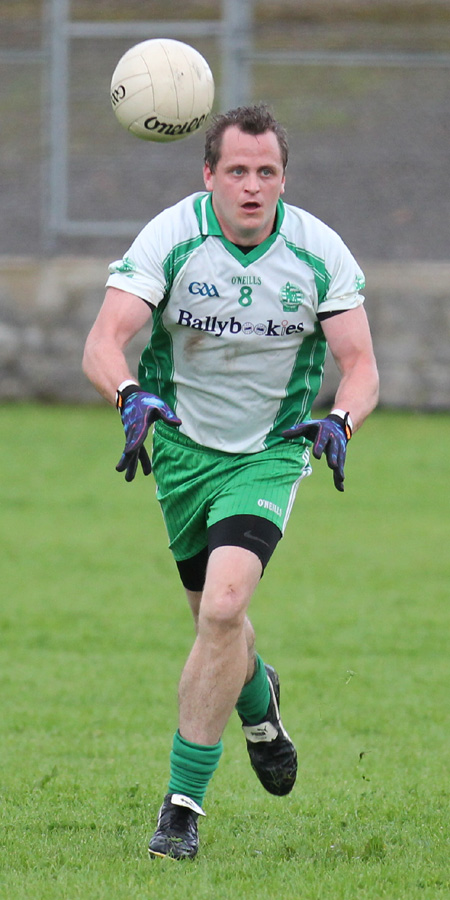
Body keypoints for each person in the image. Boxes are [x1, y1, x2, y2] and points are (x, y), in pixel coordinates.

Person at [82, 103, 379, 860]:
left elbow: (361, 364)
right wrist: (128, 395)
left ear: (284, 178)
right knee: (215, 627)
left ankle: (181, 808)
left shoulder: (319, 252)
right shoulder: (173, 235)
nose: (252, 186)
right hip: (181, 452)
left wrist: (340, 421)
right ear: (208, 174)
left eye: (267, 172)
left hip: (271, 452)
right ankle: (260, 702)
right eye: (237, 171)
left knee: (223, 607)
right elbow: (104, 340)